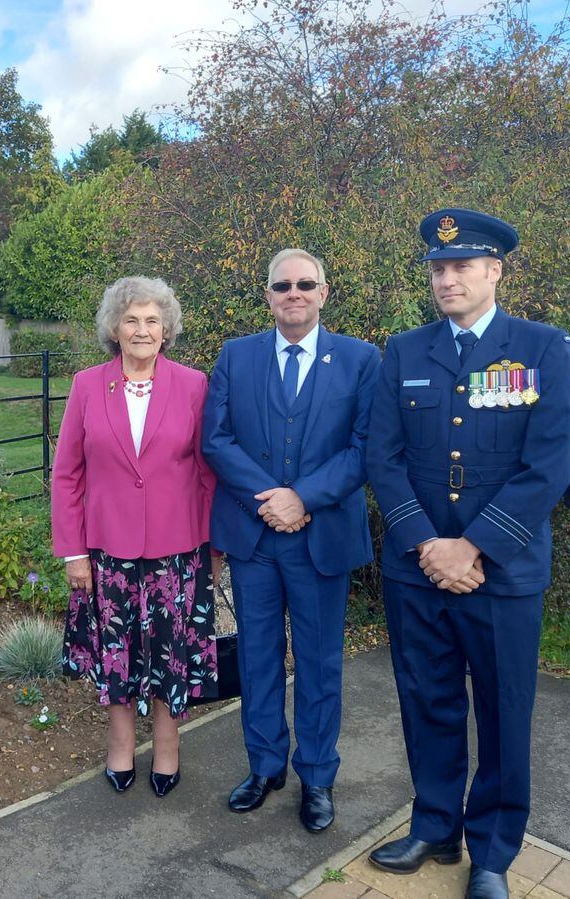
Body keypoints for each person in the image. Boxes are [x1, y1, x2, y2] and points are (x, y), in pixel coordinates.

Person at [365, 209, 570, 899]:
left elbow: (548, 464)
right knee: (426, 702)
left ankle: (491, 851)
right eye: (438, 267)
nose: (448, 277)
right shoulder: (404, 350)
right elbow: (383, 455)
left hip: (503, 572)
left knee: (503, 708)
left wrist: (473, 547)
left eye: (462, 266)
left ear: (495, 271)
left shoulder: (544, 350)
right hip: (417, 567)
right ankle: (434, 825)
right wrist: (429, 545)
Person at [202, 248, 380, 833]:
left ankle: (318, 776)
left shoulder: (359, 360)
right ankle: (265, 766)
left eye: (306, 284)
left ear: (324, 292)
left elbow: (365, 448)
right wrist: (274, 498)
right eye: (283, 285)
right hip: (255, 538)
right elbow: (217, 440)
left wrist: (303, 497)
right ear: (269, 295)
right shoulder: (236, 355)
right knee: (257, 659)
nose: (294, 293)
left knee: (320, 662)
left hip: (321, 538)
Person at [53, 275, 217, 798]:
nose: (142, 329)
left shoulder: (194, 384)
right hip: (107, 553)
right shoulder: (86, 385)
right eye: (131, 320)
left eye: (152, 320)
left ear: (166, 327)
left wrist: (215, 547)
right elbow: (67, 474)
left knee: (170, 653)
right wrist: (73, 551)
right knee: (116, 653)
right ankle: (121, 743)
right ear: (114, 329)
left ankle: (167, 746)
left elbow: (209, 471)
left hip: (178, 552)